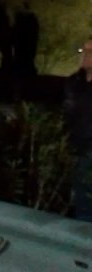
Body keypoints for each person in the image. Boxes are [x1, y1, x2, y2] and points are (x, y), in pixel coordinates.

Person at [64, 37, 92, 221]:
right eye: (83, 51)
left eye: (91, 52)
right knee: (81, 207)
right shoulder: (74, 83)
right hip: (76, 152)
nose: (85, 56)